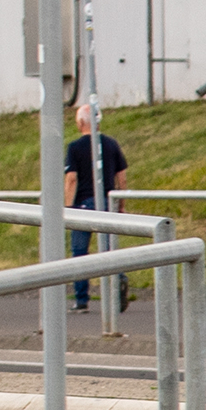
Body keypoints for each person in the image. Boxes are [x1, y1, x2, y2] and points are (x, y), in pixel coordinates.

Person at [62, 103, 129, 312]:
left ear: (81, 122)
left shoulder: (75, 147)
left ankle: (81, 300)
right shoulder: (110, 144)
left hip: (83, 204)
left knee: (80, 252)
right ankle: (118, 281)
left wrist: (67, 207)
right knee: (110, 250)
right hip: (108, 202)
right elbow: (122, 177)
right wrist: (121, 204)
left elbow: (72, 178)